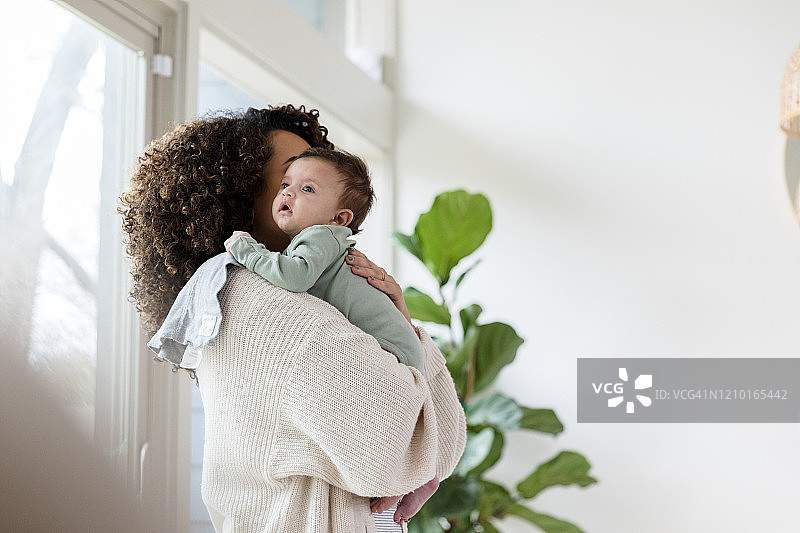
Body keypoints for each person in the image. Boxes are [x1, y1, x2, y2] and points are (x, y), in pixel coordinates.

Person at [119, 105, 466, 532]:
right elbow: (404, 452)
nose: (299, 189)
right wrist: (412, 352)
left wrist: (398, 320)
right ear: (238, 195)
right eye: (289, 179)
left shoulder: (230, 297)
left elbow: (434, 451)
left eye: (310, 184)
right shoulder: (274, 312)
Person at [223, 147, 437, 520]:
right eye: (286, 185)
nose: (287, 193)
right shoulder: (319, 243)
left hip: (393, 350)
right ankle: (420, 475)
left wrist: (249, 250)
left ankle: (413, 474)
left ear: (340, 218)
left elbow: (294, 277)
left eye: (307, 189)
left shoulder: (320, 237)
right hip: (399, 348)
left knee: (373, 430)